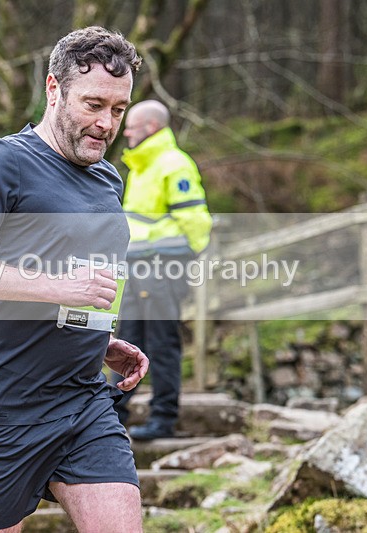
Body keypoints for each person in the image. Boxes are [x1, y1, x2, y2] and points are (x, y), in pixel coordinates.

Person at [0, 27, 149, 533]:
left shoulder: (107, 178)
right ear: (53, 89)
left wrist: (97, 340)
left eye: (119, 109)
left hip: (81, 400)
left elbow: (81, 281)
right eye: (93, 104)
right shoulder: (2, 162)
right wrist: (59, 288)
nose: (106, 123)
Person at [110, 100, 213, 441]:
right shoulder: (142, 165)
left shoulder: (173, 164)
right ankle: (112, 416)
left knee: (162, 341)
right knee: (125, 342)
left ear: (151, 127)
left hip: (162, 266)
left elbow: (195, 220)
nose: (125, 132)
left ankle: (164, 419)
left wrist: (180, 257)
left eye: (131, 126)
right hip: (136, 266)